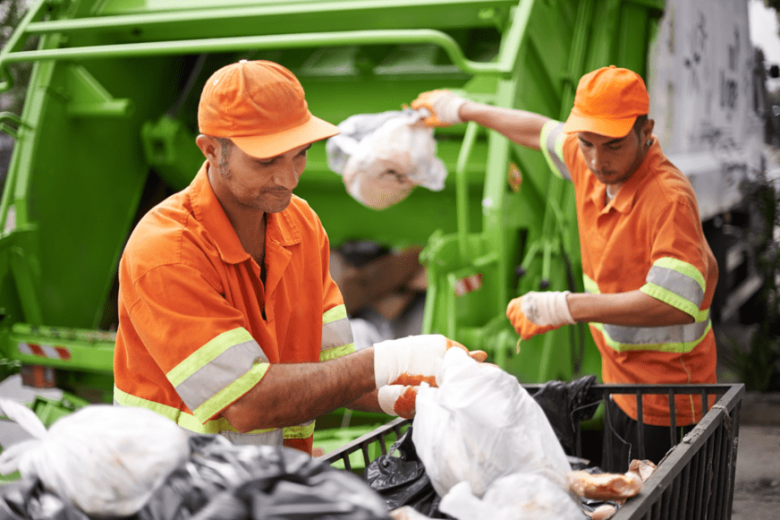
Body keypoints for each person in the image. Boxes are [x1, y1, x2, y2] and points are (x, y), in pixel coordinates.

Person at [113, 59, 484, 455]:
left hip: (267, 475)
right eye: (266, 160)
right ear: (211, 150)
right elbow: (247, 404)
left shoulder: (300, 224)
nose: (288, 179)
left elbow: (331, 367)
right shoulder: (166, 252)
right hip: (173, 480)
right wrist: (398, 357)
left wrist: (407, 391)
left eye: (300, 154)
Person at [411, 65, 718, 471]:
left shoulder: (667, 199)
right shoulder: (589, 162)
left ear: (646, 131)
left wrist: (564, 307)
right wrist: (461, 109)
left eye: (612, 146)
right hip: (621, 385)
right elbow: (537, 130)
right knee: (624, 491)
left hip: (668, 398)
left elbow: (676, 303)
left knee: (659, 498)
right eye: (587, 143)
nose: (597, 160)